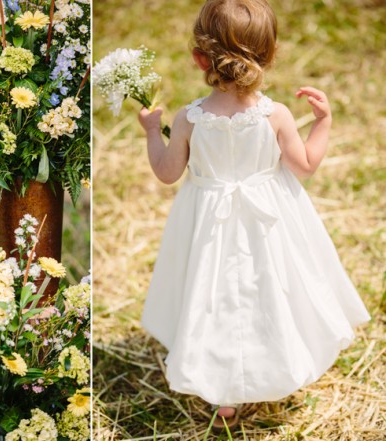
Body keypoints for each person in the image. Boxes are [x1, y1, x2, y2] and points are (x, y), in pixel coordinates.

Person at [137, 0, 370, 430]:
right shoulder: (276, 115)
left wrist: (153, 132)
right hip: (270, 223)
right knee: (272, 290)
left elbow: (167, 173)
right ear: (270, 54)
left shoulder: (189, 118)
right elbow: (304, 167)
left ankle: (223, 392)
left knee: (215, 296)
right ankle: (279, 360)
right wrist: (323, 122)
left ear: (199, 58)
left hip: (209, 226)